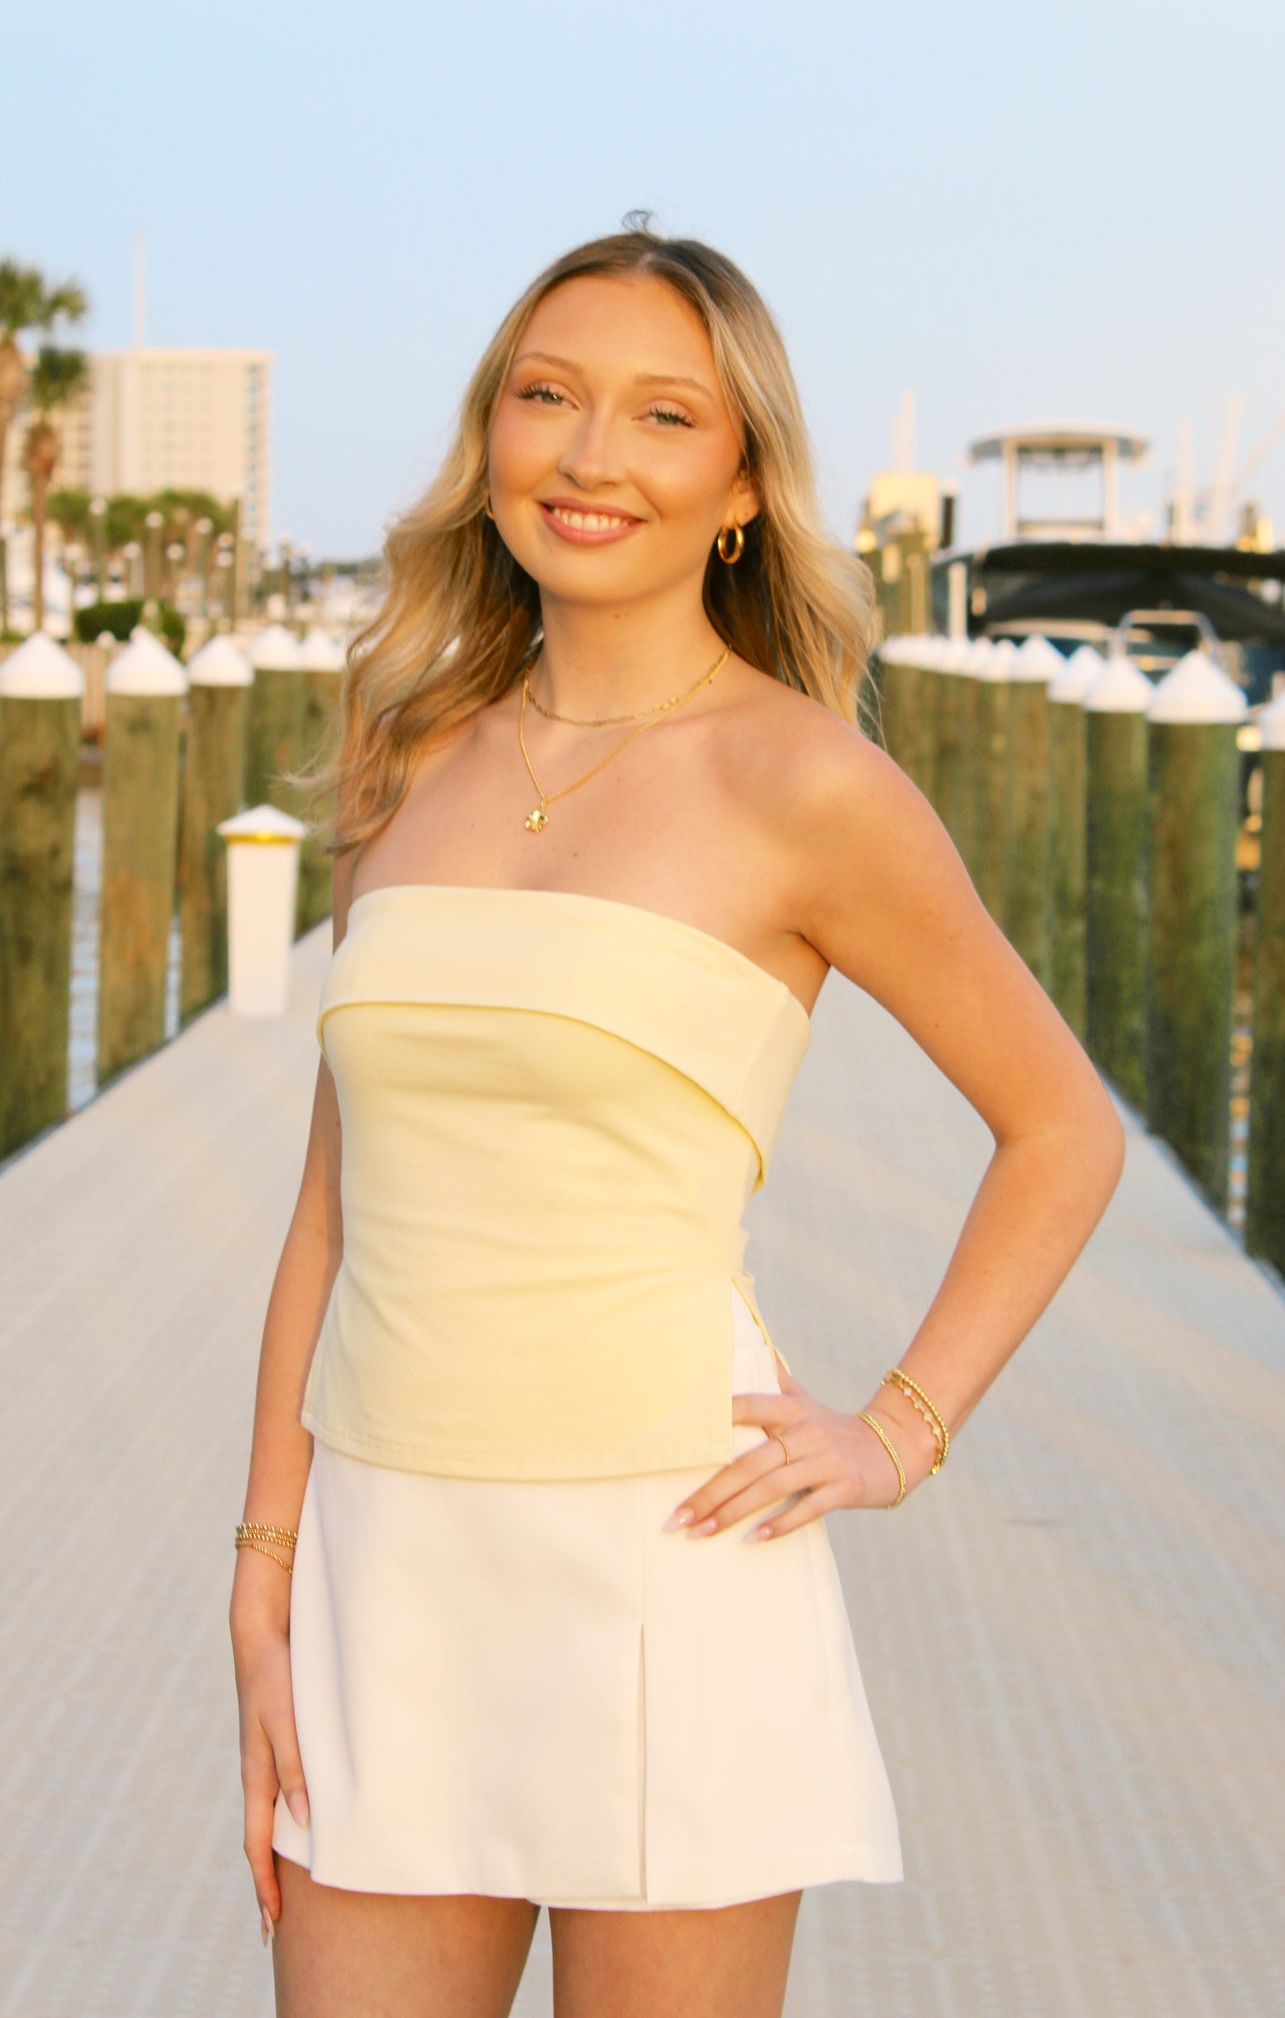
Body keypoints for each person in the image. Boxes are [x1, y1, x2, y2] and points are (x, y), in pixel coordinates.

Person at [229, 226, 1124, 2018]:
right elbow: (332, 1214)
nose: (587, 457)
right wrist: (261, 1571)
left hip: (669, 1559)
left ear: (735, 485)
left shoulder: (807, 783)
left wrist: (894, 1430)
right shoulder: (410, 757)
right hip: (384, 1571)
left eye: (660, 415)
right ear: (489, 438)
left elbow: (1061, 1127)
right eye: (545, 397)